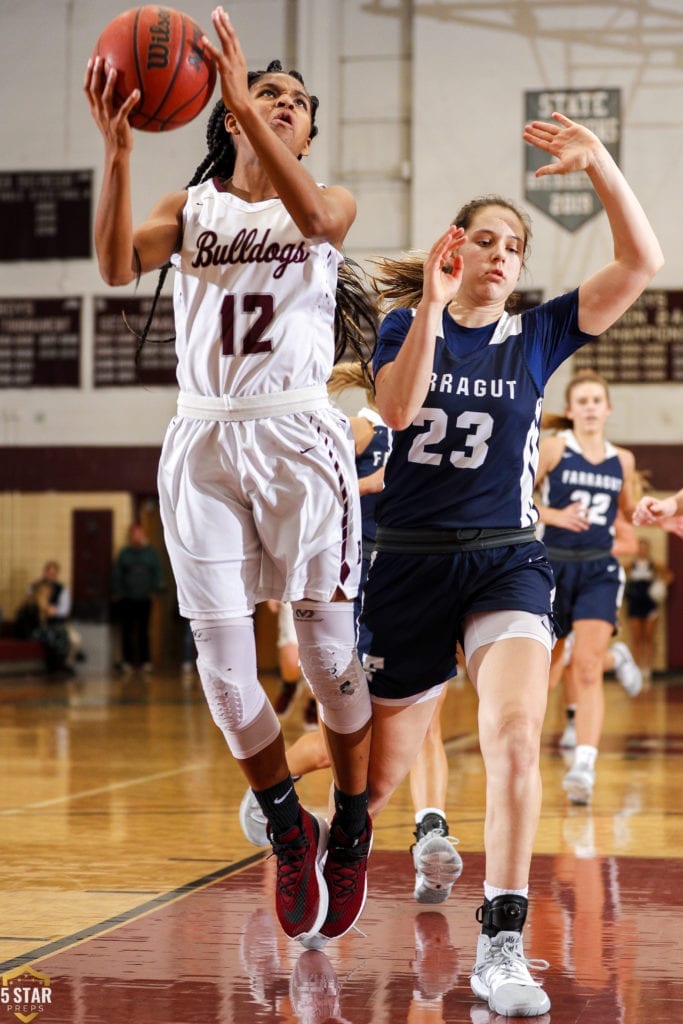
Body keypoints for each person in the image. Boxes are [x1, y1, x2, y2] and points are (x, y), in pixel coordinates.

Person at [355, 110, 663, 1017]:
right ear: (455, 249)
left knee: (517, 735)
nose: (500, 254)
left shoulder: (537, 335)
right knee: (374, 779)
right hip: (408, 563)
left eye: (513, 245)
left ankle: (501, 938)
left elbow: (639, 262)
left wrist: (601, 164)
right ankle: (314, 824)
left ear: (522, 266)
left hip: (505, 562)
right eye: (483, 240)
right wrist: (425, 306)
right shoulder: (404, 326)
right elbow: (400, 413)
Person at [85, 6, 375, 948]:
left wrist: (245, 105)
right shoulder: (193, 209)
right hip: (202, 441)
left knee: (327, 659)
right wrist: (119, 149)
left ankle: (357, 823)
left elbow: (315, 215)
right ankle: (290, 829)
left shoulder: (326, 201)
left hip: (297, 435)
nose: (284, 105)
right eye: (269, 95)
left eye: (298, 102)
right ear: (227, 116)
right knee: (220, 669)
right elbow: (114, 264)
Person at [240, 362, 463, 905]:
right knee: (352, 739)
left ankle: (430, 833)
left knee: (428, 722)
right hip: (355, 594)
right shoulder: (363, 427)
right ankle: (270, 792)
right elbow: (315, 492)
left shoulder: (448, 422)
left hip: (419, 582)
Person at [535, 370, 639, 803]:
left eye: (599, 400)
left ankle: (585, 764)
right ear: (572, 410)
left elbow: (629, 512)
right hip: (553, 567)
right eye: (584, 401)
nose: (592, 407)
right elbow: (515, 494)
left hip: (598, 568)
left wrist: (649, 513)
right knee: (548, 669)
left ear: (608, 409)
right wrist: (552, 515)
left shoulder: (624, 460)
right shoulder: (556, 448)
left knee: (588, 667)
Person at [111, 523, 165, 672]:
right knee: (127, 631)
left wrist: (156, 590)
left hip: (144, 599)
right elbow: (117, 574)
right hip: (127, 599)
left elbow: (157, 573)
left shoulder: (150, 553)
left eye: (139, 533)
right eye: (134, 533)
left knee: (143, 631)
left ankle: (145, 661)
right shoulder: (124, 553)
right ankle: (127, 661)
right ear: (130, 535)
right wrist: (119, 592)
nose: (136, 536)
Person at [622, 536, 673, 682]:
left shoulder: (653, 564)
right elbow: (617, 572)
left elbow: (669, 575)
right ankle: (637, 669)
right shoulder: (631, 564)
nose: (643, 550)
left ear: (648, 549)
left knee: (648, 637)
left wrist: (661, 586)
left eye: (645, 547)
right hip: (635, 603)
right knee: (636, 638)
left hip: (649, 603)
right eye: (640, 547)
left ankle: (647, 669)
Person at [269, 599, 318, 729]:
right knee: (291, 661)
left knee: (320, 654)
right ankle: (289, 686)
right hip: (293, 592)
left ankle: (313, 704)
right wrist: (271, 590)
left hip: (326, 594)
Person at [29, 560, 83, 666]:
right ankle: (58, 664)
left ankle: (67, 662)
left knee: (75, 640)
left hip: (58, 623)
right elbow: (32, 603)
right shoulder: (35, 587)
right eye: (48, 573)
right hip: (41, 625)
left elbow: (63, 611)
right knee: (55, 637)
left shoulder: (62, 590)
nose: (50, 576)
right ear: (44, 573)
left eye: (53, 574)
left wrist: (53, 610)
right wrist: (43, 607)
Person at [14, 581, 72, 676]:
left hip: (38, 631)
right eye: (47, 594)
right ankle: (55, 666)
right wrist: (45, 612)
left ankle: (61, 663)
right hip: (28, 633)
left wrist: (50, 613)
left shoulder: (43, 606)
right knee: (52, 636)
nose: (49, 596)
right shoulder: (31, 606)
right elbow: (33, 625)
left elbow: (47, 624)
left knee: (61, 633)